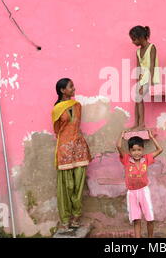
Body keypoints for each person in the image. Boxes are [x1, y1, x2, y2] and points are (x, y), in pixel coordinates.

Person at [51, 78, 92, 233]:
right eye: (71, 86)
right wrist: (66, 144)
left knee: (78, 185)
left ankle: (76, 217)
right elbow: (57, 130)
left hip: (79, 148)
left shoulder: (77, 106)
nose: (74, 88)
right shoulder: (56, 109)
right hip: (65, 150)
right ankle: (65, 219)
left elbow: (76, 125)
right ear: (62, 90)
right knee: (66, 186)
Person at [116, 129, 163, 238]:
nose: (136, 152)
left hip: (144, 191)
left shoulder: (146, 159)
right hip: (132, 193)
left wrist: (151, 137)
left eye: (139, 150)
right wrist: (121, 135)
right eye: (133, 150)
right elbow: (118, 147)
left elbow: (160, 149)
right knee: (136, 220)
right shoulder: (126, 159)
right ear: (130, 151)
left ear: (143, 150)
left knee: (150, 219)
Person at [129, 25, 160, 130]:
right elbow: (138, 68)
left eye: (134, 39)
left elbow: (151, 65)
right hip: (142, 79)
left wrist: (150, 82)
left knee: (139, 98)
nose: (133, 42)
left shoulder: (152, 47)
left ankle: (141, 124)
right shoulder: (137, 52)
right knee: (137, 99)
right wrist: (138, 83)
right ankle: (136, 123)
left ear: (141, 37)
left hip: (150, 77)